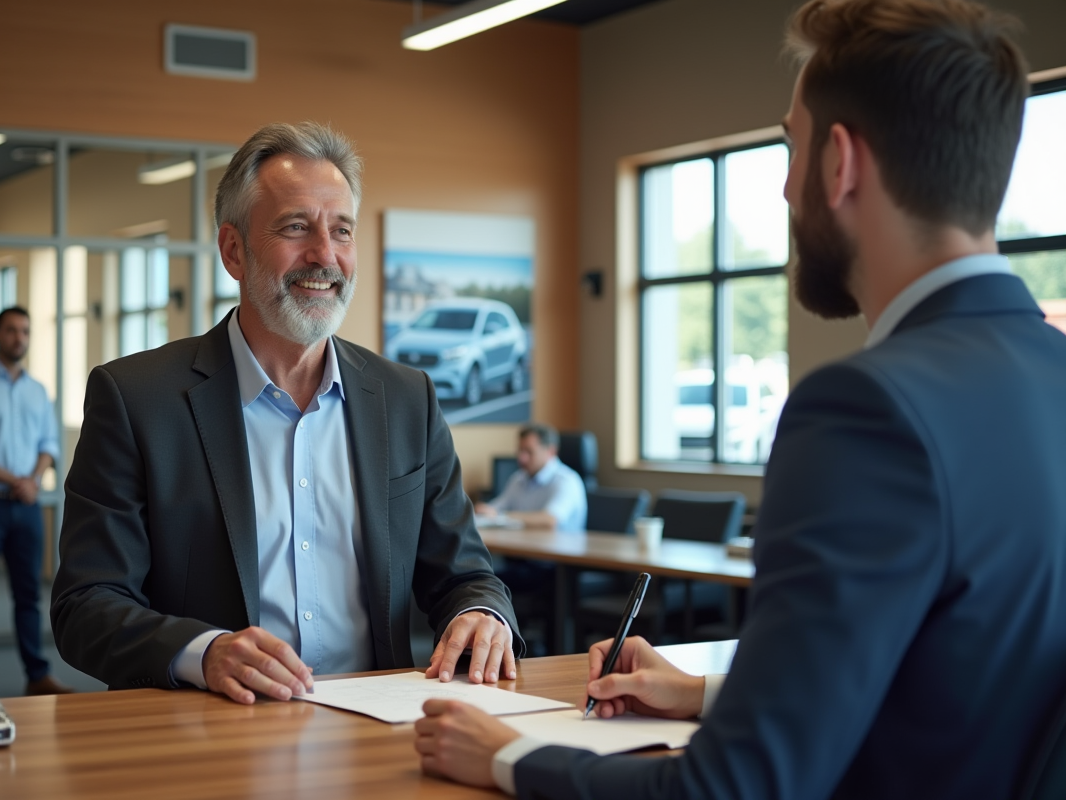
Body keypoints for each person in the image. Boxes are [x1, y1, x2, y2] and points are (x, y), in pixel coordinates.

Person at [414, 0, 1066, 797]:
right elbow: (964, 688)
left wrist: (506, 756)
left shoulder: (867, 409)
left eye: (789, 147)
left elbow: (737, 787)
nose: (785, 190)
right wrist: (708, 693)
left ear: (840, 164)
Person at [52, 122, 524, 705]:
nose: (324, 256)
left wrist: (482, 613)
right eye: (296, 227)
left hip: (378, 737)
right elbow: (86, 606)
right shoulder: (135, 399)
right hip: (209, 736)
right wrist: (203, 652)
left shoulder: (407, 400)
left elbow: (465, 575)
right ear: (233, 250)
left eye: (341, 231)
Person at [0, 306, 73, 696]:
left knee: (30, 594)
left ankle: (37, 675)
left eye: (24, 331)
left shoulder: (37, 390)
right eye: (11, 330)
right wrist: (18, 480)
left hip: (26, 507)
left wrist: (33, 479)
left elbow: (48, 445)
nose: (19, 338)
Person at [475, 423, 587, 532]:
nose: (521, 458)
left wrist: (500, 516)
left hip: (559, 549)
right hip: (522, 547)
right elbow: (497, 508)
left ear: (551, 451)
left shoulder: (567, 481)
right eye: (520, 451)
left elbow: (549, 520)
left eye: (529, 452)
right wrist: (485, 510)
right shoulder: (518, 478)